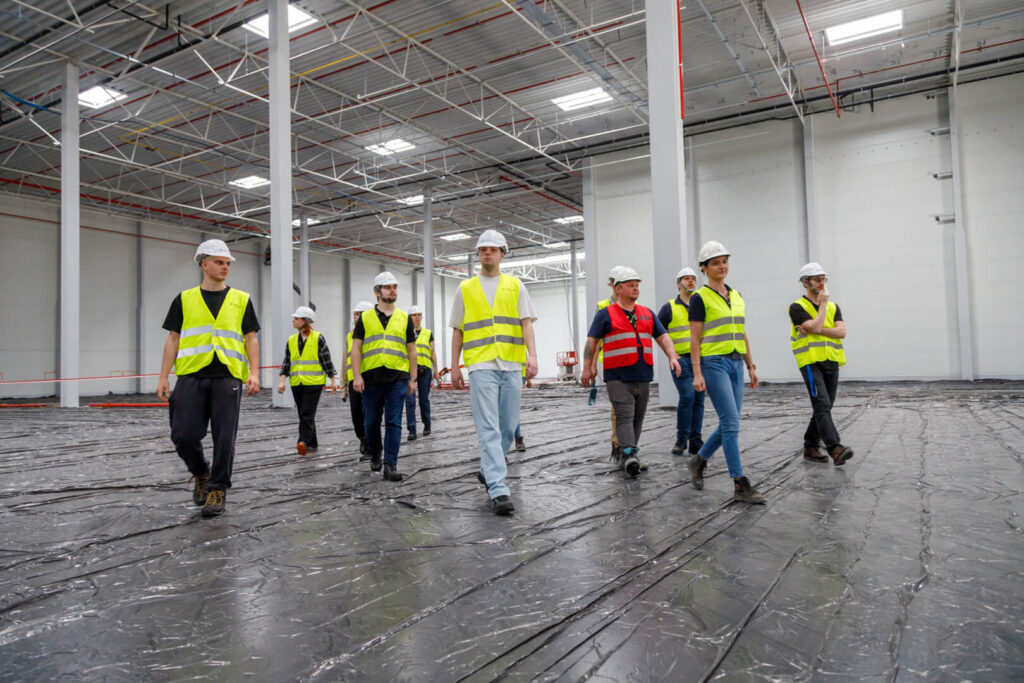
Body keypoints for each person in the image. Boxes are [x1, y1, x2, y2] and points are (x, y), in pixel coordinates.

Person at [156, 239, 260, 518]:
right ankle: (200, 472)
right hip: (191, 374)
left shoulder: (241, 299)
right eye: (219, 262)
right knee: (183, 434)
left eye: (227, 263)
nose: (225, 267)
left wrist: (254, 373)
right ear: (204, 264)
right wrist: (163, 377)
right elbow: (173, 338)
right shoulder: (184, 299)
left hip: (227, 377)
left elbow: (251, 338)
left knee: (225, 437)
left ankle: (217, 488)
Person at [450, 229, 538, 515]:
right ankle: (498, 489)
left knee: (509, 426)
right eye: (482, 249)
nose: (487, 253)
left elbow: (526, 324)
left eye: (492, 249)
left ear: (502, 253)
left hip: (512, 363)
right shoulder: (465, 289)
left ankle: (488, 468)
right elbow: (458, 331)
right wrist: (454, 367)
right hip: (480, 365)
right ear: (478, 255)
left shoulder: (515, 286)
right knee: (487, 426)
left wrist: (532, 357)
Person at [582, 267, 681, 477]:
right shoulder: (605, 314)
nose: (635, 288)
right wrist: (586, 367)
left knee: (638, 417)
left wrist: (672, 356)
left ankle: (629, 454)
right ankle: (628, 454)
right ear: (618, 289)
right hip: (617, 375)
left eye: (637, 284)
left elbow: (662, 337)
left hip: (642, 373)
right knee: (624, 415)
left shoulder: (646, 312)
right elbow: (592, 341)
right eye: (630, 285)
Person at [687, 241, 765, 505]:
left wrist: (750, 365)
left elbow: (741, 332)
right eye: (715, 262)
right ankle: (739, 482)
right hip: (713, 364)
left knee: (729, 423)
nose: (722, 266)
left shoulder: (737, 295)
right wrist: (697, 373)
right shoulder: (700, 298)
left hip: (735, 364)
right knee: (731, 423)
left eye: (724, 261)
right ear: (704, 268)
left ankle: (698, 461)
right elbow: (695, 339)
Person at [350, 272, 417, 482]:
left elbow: (411, 350)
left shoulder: (404, 318)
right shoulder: (365, 318)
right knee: (370, 422)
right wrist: (357, 376)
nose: (392, 290)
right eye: (387, 287)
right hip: (371, 379)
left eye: (394, 287)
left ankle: (390, 464)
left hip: (397, 378)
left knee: (394, 422)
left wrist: (412, 379)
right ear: (377, 292)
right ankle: (376, 452)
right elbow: (356, 348)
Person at [790, 262, 853, 466]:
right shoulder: (797, 307)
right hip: (810, 361)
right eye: (817, 279)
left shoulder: (835, 307)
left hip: (831, 361)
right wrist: (823, 306)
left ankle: (810, 445)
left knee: (825, 405)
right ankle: (835, 447)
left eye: (823, 279)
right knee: (822, 404)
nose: (822, 283)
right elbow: (817, 324)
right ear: (806, 283)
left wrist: (817, 330)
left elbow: (841, 332)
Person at [276, 306, 338, 455]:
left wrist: (333, 379)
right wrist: (282, 381)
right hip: (297, 383)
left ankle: (302, 442)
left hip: (314, 382)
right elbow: (287, 362)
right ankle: (313, 443)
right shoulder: (291, 340)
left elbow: (326, 359)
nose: (293, 321)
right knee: (304, 414)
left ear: (305, 321)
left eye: (296, 318)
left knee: (306, 413)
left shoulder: (318, 338)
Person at [658, 267, 706, 457]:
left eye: (693, 279)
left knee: (699, 400)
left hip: (700, 360)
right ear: (679, 284)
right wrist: (671, 355)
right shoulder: (669, 307)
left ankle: (695, 439)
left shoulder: (700, 304)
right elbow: (659, 333)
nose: (691, 282)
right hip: (681, 361)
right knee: (687, 397)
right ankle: (681, 438)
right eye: (686, 279)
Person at [342, 301, 374, 458]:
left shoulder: (373, 336)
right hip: (353, 381)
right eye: (355, 314)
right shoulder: (349, 337)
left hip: (370, 380)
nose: (357, 317)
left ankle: (370, 444)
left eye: (360, 314)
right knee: (356, 415)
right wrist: (343, 387)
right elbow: (345, 361)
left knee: (370, 414)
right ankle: (362, 437)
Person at [404, 304, 437, 440]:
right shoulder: (405, 333)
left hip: (425, 371)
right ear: (410, 317)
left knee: (424, 400)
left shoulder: (428, 333)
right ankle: (412, 429)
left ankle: (427, 424)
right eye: (414, 315)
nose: (417, 317)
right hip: (410, 371)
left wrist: (436, 369)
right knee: (410, 401)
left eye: (419, 315)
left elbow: (432, 352)